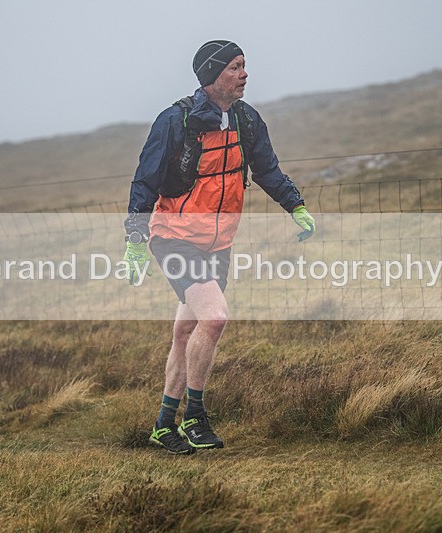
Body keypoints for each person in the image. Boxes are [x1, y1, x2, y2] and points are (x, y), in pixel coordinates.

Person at [123, 40, 316, 455]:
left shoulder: (247, 120)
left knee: (187, 330)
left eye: (245, 65)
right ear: (212, 75)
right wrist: (136, 241)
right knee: (214, 319)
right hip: (173, 237)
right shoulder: (176, 120)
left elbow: (266, 168)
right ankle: (194, 416)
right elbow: (146, 181)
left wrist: (295, 205)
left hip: (219, 243)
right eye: (235, 67)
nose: (244, 74)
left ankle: (162, 425)